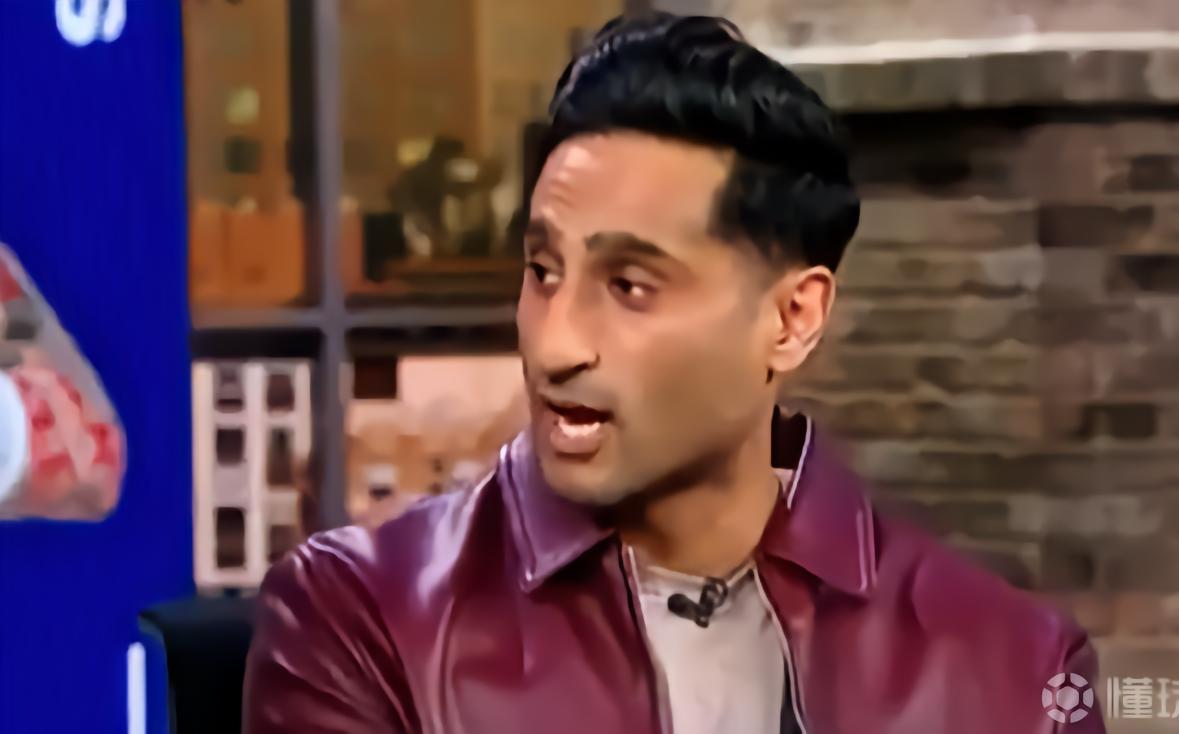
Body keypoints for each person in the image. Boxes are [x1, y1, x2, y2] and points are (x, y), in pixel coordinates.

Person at [244, 13, 1104, 734]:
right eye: (542, 271)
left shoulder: (1017, 669)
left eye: (629, 285)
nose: (555, 346)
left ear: (790, 319)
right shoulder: (363, 619)